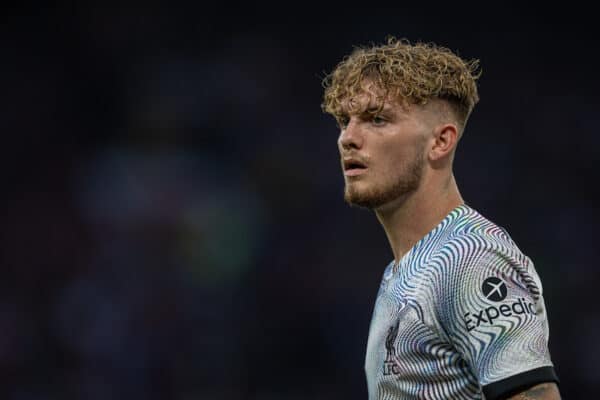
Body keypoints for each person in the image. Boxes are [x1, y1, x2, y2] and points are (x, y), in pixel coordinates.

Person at [321, 37, 561, 400]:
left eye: (377, 119)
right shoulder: (402, 271)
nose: (348, 138)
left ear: (440, 142)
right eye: (345, 120)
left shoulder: (471, 258)